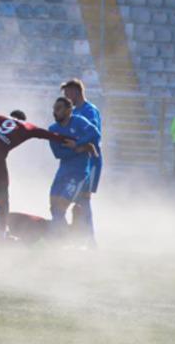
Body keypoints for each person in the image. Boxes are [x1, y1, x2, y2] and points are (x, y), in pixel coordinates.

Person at [0, 110, 69, 237]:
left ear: (11, 116)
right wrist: (70, 140)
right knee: (3, 194)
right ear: (23, 119)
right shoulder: (27, 126)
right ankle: (2, 232)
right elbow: (48, 134)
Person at [48, 97, 101, 245]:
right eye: (54, 109)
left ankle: (62, 241)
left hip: (78, 174)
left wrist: (77, 144)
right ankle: (73, 239)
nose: (54, 112)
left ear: (69, 110)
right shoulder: (53, 130)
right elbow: (58, 154)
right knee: (54, 209)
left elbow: (95, 133)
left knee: (61, 208)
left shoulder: (79, 121)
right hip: (62, 173)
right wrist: (80, 149)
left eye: (58, 108)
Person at [61, 79, 102, 245]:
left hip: (90, 162)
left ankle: (90, 241)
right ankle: (79, 238)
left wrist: (77, 145)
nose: (66, 97)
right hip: (75, 163)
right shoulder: (74, 112)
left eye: (68, 93)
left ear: (76, 92)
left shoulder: (89, 110)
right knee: (73, 199)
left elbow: (94, 134)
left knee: (83, 200)